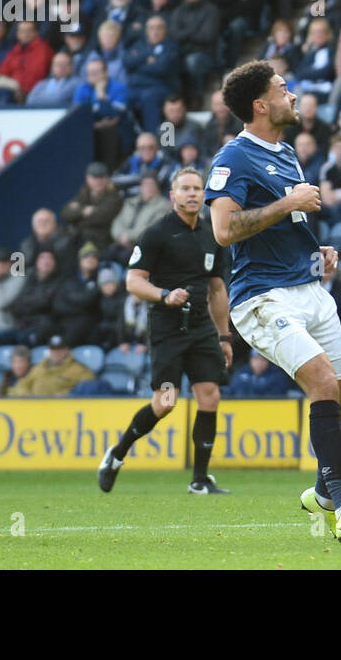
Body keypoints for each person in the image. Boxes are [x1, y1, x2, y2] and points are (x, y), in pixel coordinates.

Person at [204, 61, 341, 541]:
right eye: (284, 89)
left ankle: (322, 491)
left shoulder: (284, 154)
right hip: (263, 297)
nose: (293, 95)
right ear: (261, 105)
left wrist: (312, 246)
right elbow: (223, 231)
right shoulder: (232, 159)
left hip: (308, 288)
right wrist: (289, 204)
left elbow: (280, 221)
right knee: (321, 382)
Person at [100, 167, 233, 496]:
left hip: (201, 326)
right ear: (173, 195)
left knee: (210, 396)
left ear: (204, 195)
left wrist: (224, 335)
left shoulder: (212, 234)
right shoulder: (156, 233)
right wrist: (164, 295)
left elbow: (217, 289)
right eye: (185, 188)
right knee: (166, 402)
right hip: (167, 327)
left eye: (197, 188)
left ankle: (200, 480)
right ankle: (117, 454)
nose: (192, 193)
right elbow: (133, 281)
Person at [9, 332, 96, 395]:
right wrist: (26, 396)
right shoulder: (39, 367)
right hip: (34, 408)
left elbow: (89, 389)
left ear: (67, 350)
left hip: (61, 410)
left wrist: (67, 395)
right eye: (53, 350)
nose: (56, 353)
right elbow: (23, 384)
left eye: (59, 350)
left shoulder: (78, 370)